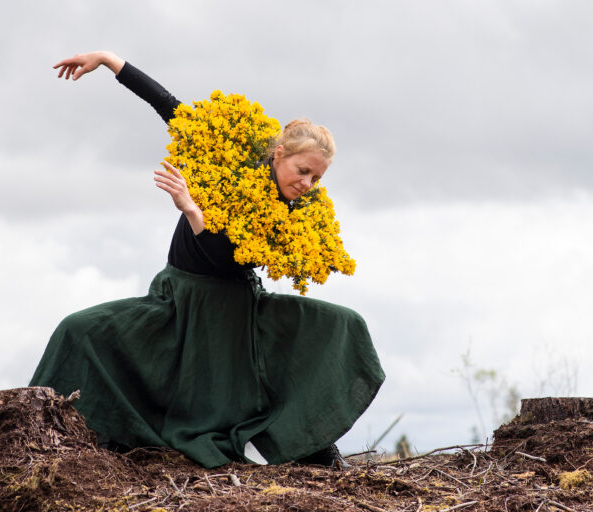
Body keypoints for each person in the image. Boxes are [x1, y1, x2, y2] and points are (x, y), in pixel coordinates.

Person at [29, 50, 385, 469]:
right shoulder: (231, 155)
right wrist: (109, 61)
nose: (307, 183)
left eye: (316, 178)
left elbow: (230, 259)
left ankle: (306, 439)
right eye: (303, 170)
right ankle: (33, 431)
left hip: (237, 308)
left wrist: (191, 207)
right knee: (79, 329)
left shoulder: (300, 212)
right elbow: (170, 107)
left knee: (342, 325)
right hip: (178, 300)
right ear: (277, 154)